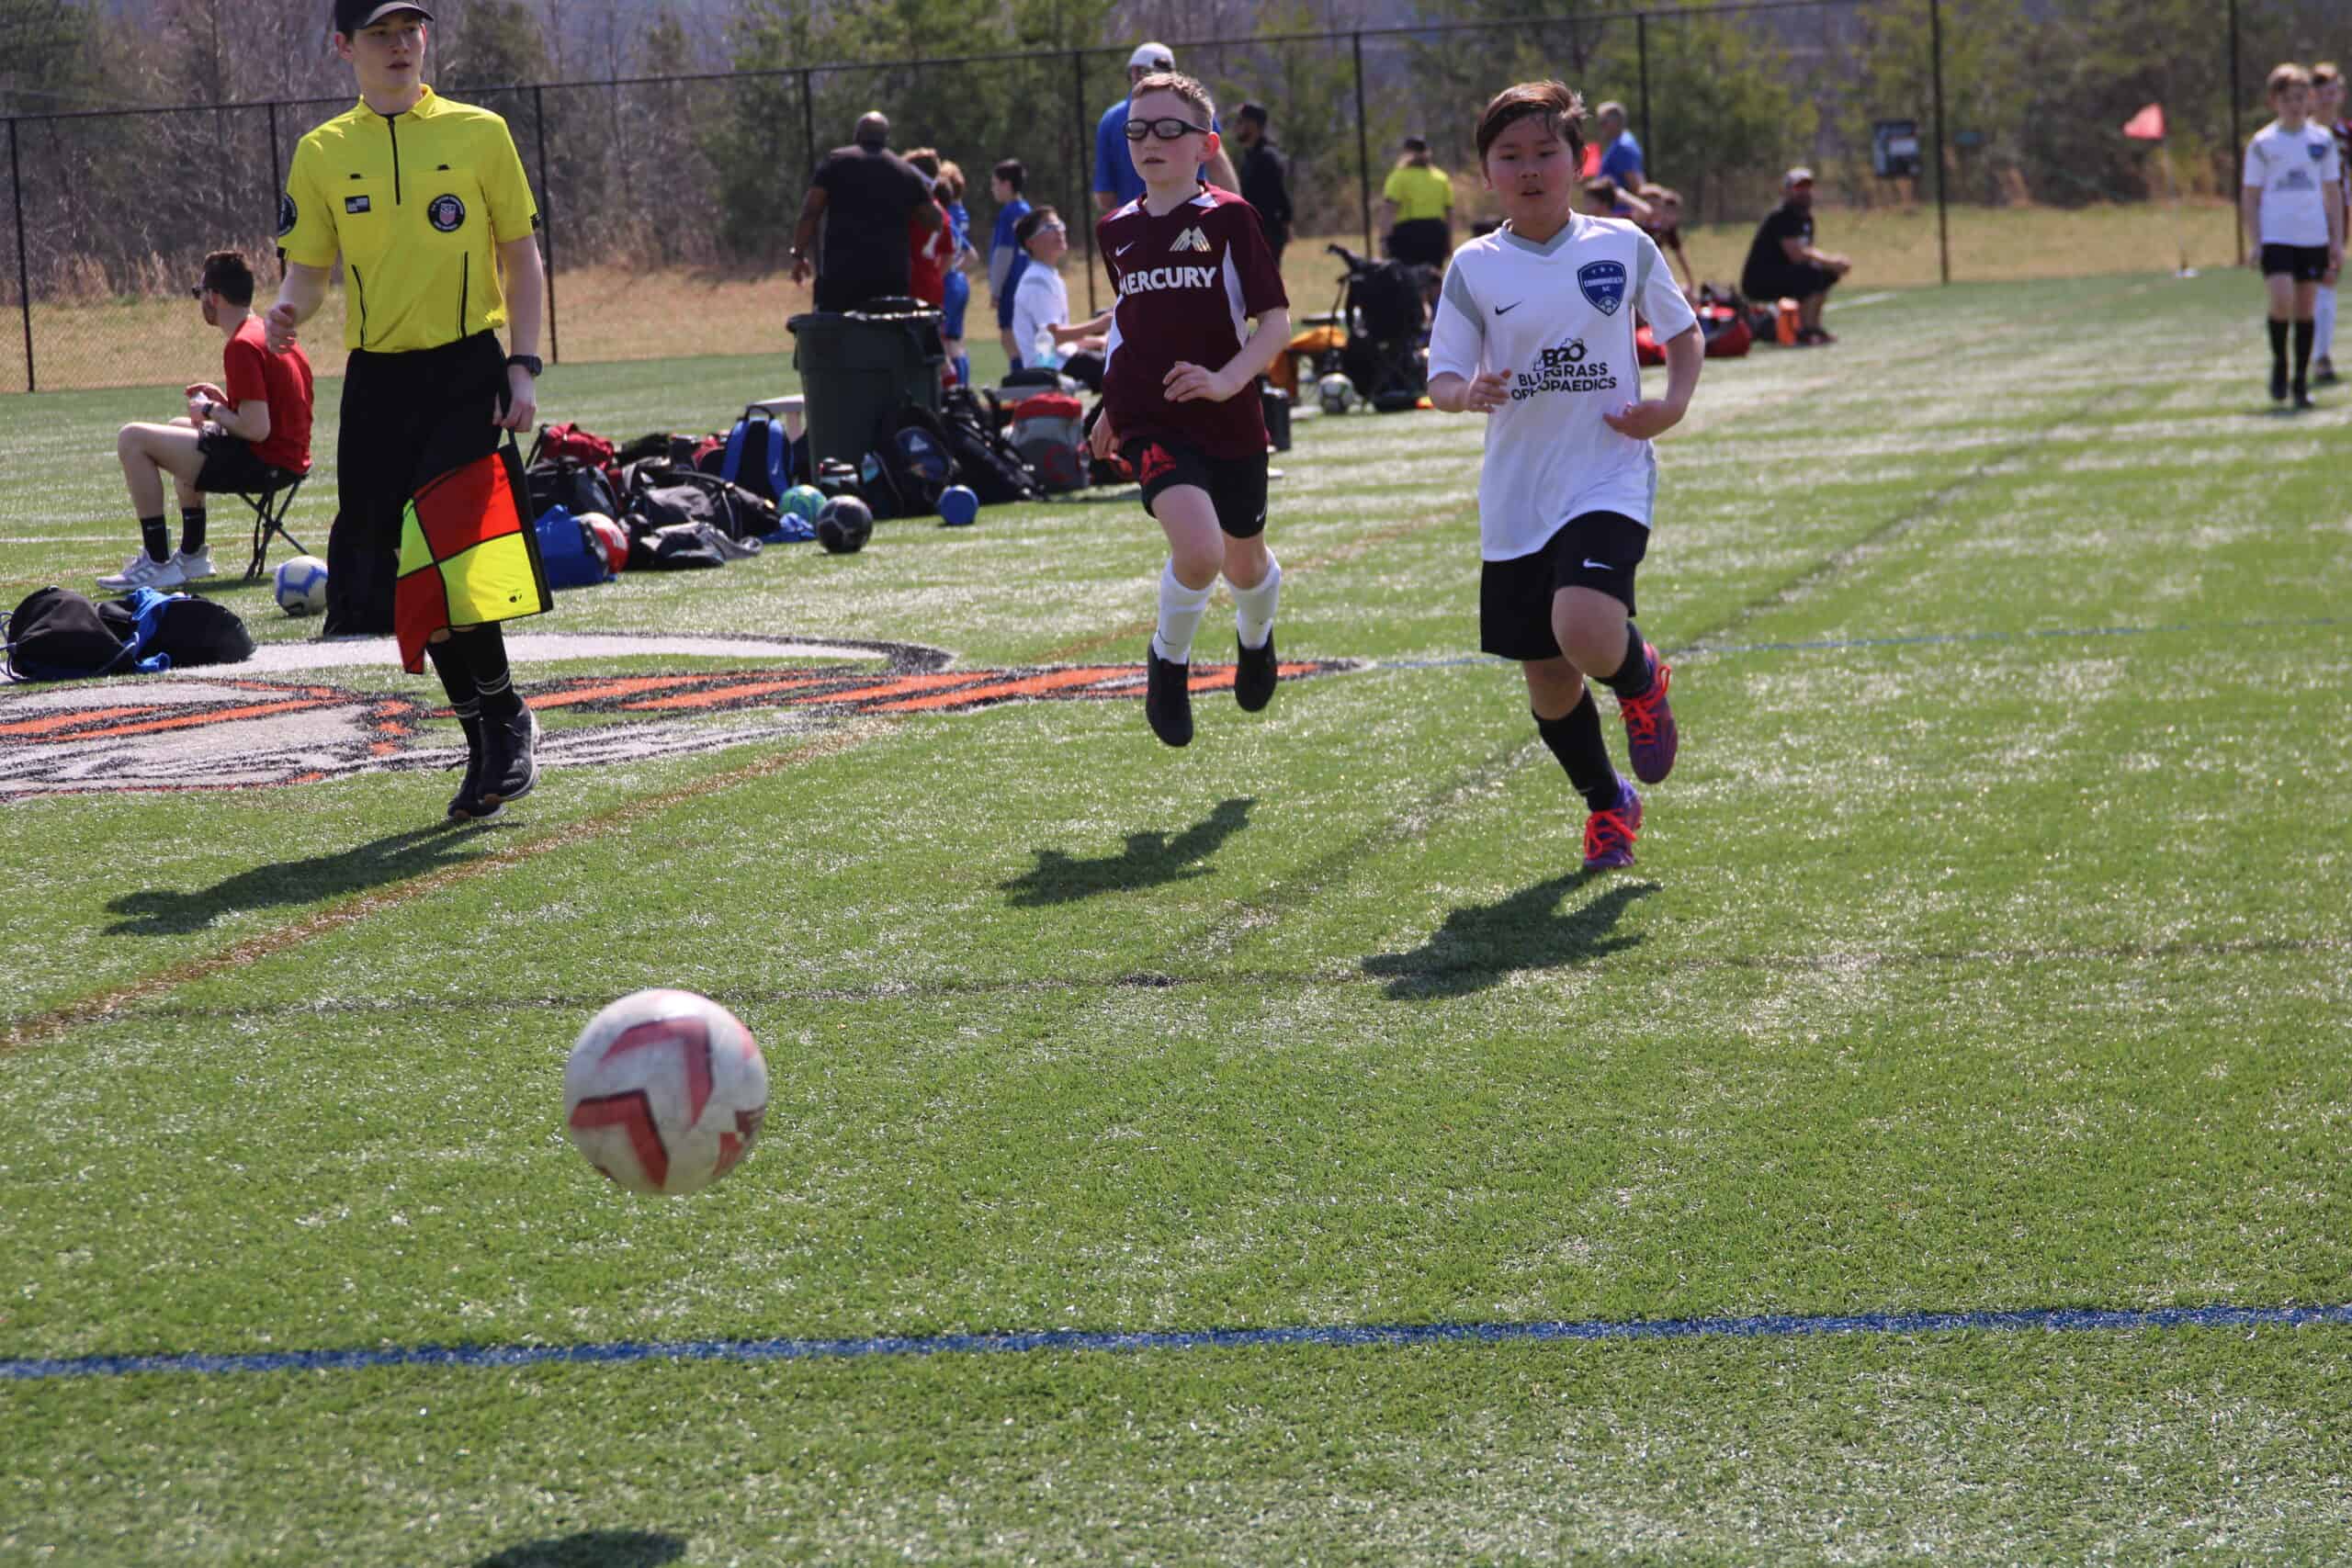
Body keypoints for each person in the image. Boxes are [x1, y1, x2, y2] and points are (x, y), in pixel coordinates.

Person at [266, 0, 548, 821]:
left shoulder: (480, 131)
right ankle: (487, 734)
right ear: (342, 47)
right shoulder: (321, 151)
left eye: (410, 30)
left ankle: (507, 726)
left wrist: (523, 367)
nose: (399, 46)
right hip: (378, 384)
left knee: (457, 564)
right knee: (403, 578)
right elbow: (310, 274)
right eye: (381, 34)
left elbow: (522, 259)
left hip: (467, 372)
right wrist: (288, 309)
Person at [1426, 80, 1700, 872]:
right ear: (1486, 173)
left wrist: (1671, 406)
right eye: (1510, 156)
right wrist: (1464, 392)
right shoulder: (1473, 267)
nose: (1530, 168)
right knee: (1546, 677)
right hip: (1517, 497)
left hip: (1605, 472)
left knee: (1582, 628)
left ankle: (1641, 680)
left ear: (1576, 161)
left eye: (1546, 152)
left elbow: (1682, 335)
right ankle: (1610, 804)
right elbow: (1441, 375)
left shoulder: (1621, 244)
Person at [1086, 72, 1291, 749]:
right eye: (1137, 129)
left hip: (1231, 418)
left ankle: (1256, 640)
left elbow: (1274, 324)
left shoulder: (1231, 217)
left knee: (1245, 565)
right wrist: (1112, 404)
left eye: (1169, 128)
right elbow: (1127, 318)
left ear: (1204, 144)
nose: (1150, 140)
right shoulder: (1114, 228)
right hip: (1153, 414)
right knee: (1198, 552)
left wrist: (1228, 380)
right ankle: (1167, 662)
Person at [100, 250, 313, 591]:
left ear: (214, 297)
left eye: (200, 293)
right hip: (287, 457)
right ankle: (192, 554)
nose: (201, 300)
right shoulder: (262, 331)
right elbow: (266, 412)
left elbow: (258, 429)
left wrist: (213, 412)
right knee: (178, 425)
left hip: (265, 462)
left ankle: (156, 561)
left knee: (132, 438)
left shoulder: (242, 344)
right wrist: (222, 402)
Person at [2243, 63, 2345, 408]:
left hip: (2312, 237)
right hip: (2276, 236)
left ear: (2310, 100)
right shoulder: (2262, 144)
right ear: (2274, 102)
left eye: (2301, 98)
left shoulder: (2322, 140)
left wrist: (2336, 241)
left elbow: (2333, 192)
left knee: (2306, 309)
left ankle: (2300, 382)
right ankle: (2280, 364)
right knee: (2281, 300)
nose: (2295, 105)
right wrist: (2255, 240)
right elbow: (2251, 195)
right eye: (2288, 99)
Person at [788, 112, 940, 312]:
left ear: (856, 135)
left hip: (842, 277)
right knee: (887, 338)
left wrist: (798, 255)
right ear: (886, 138)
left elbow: (810, 212)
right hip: (891, 279)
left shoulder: (836, 161)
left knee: (836, 338)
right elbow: (934, 220)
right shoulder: (904, 171)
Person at [1092, 42, 1238, 216]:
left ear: (1133, 72)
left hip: (1137, 229)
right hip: (1198, 221)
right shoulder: (1192, 109)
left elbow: (1104, 197)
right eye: (1138, 132)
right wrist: (1235, 213)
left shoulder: (1110, 119)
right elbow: (1219, 167)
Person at [1740, 167, 1849, 345]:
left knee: (1826, 274)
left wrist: (1832, 265)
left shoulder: (1806, 218)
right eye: (1799, 188)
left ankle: (1814, 327)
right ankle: (1802, 331)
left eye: (1807, 187)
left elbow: (1808, 251)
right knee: (1812, 274)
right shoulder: (1782, 216)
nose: (1804, 192)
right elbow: (1797, 255)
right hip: (1761, 280)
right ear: (1787, 190)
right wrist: (1832, 261)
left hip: (1785, 273)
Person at [1007, 206, 1108, 391]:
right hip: (1049, 368)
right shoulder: (1036, 280)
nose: (1060, 230)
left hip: (1058, 362)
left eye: (1059, 224)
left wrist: (1098, 342)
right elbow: (1050, 338)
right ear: (1031, 243)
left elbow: (1057, 342)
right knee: (1118, 372)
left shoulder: (1049, 276)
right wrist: (1099, 325)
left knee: (1119, 367)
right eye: (1049, 227)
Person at [2313, 63, 2351, 383]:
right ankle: (2312, 353)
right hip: (2302, 215)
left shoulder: (2345, 134)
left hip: (2336, 214)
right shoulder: (2302, 133)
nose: (2328, 98)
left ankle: (2321, 356)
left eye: (2333, 91)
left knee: (2327, 278)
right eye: (2322, 92)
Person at [1230, 102, 1294, 267]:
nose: (1236, 126)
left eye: (1240, 121)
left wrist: (1286, 224)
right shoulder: (1249, 156)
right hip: (1250, 230)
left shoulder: (1268, 157)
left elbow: (1280, 194)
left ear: (1253, 125)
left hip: (1267, 232)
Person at [1380, 135, 1454, 267]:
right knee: (1433, 280)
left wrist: (1384, 239)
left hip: (1407, 235)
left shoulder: (1399, 177)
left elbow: (1389, 210)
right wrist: (1448, 240)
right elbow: (1449, 213)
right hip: (1435, 234)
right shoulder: (1441, 178)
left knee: (1407, 279)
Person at [936, 160, 978, 388]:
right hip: (961, 283)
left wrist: (948, 269)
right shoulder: (961, 211)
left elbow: (969, 253)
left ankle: (958, 390)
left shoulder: (946, 214)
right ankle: (963, 386)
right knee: (957, 342)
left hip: (950, 284)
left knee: (949, 343)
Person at [988, 158, 1034, 366]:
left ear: (1007, 184)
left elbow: (1003, 255)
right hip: (1027, 281)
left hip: (1010, 285)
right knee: (1025, 336)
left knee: (1008, 337)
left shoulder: (1007, 214)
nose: (993, 189)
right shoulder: (1027, 210)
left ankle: (1020, 381)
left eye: (995, 184)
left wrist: (996, 290)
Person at [1638, 184, 1698, 296]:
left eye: (1659, 206)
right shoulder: (1636, 227)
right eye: (1652, 206)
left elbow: (1680, 256)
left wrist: (1691, 285)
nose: (1656, 211)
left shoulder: (1665, 229)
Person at [1593, 100, 1644, 190]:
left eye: (1603, 122)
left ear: (1617, 121)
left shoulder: (1623, 147)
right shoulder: (1621, 141)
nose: (1601, 127)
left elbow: (1636, 187)